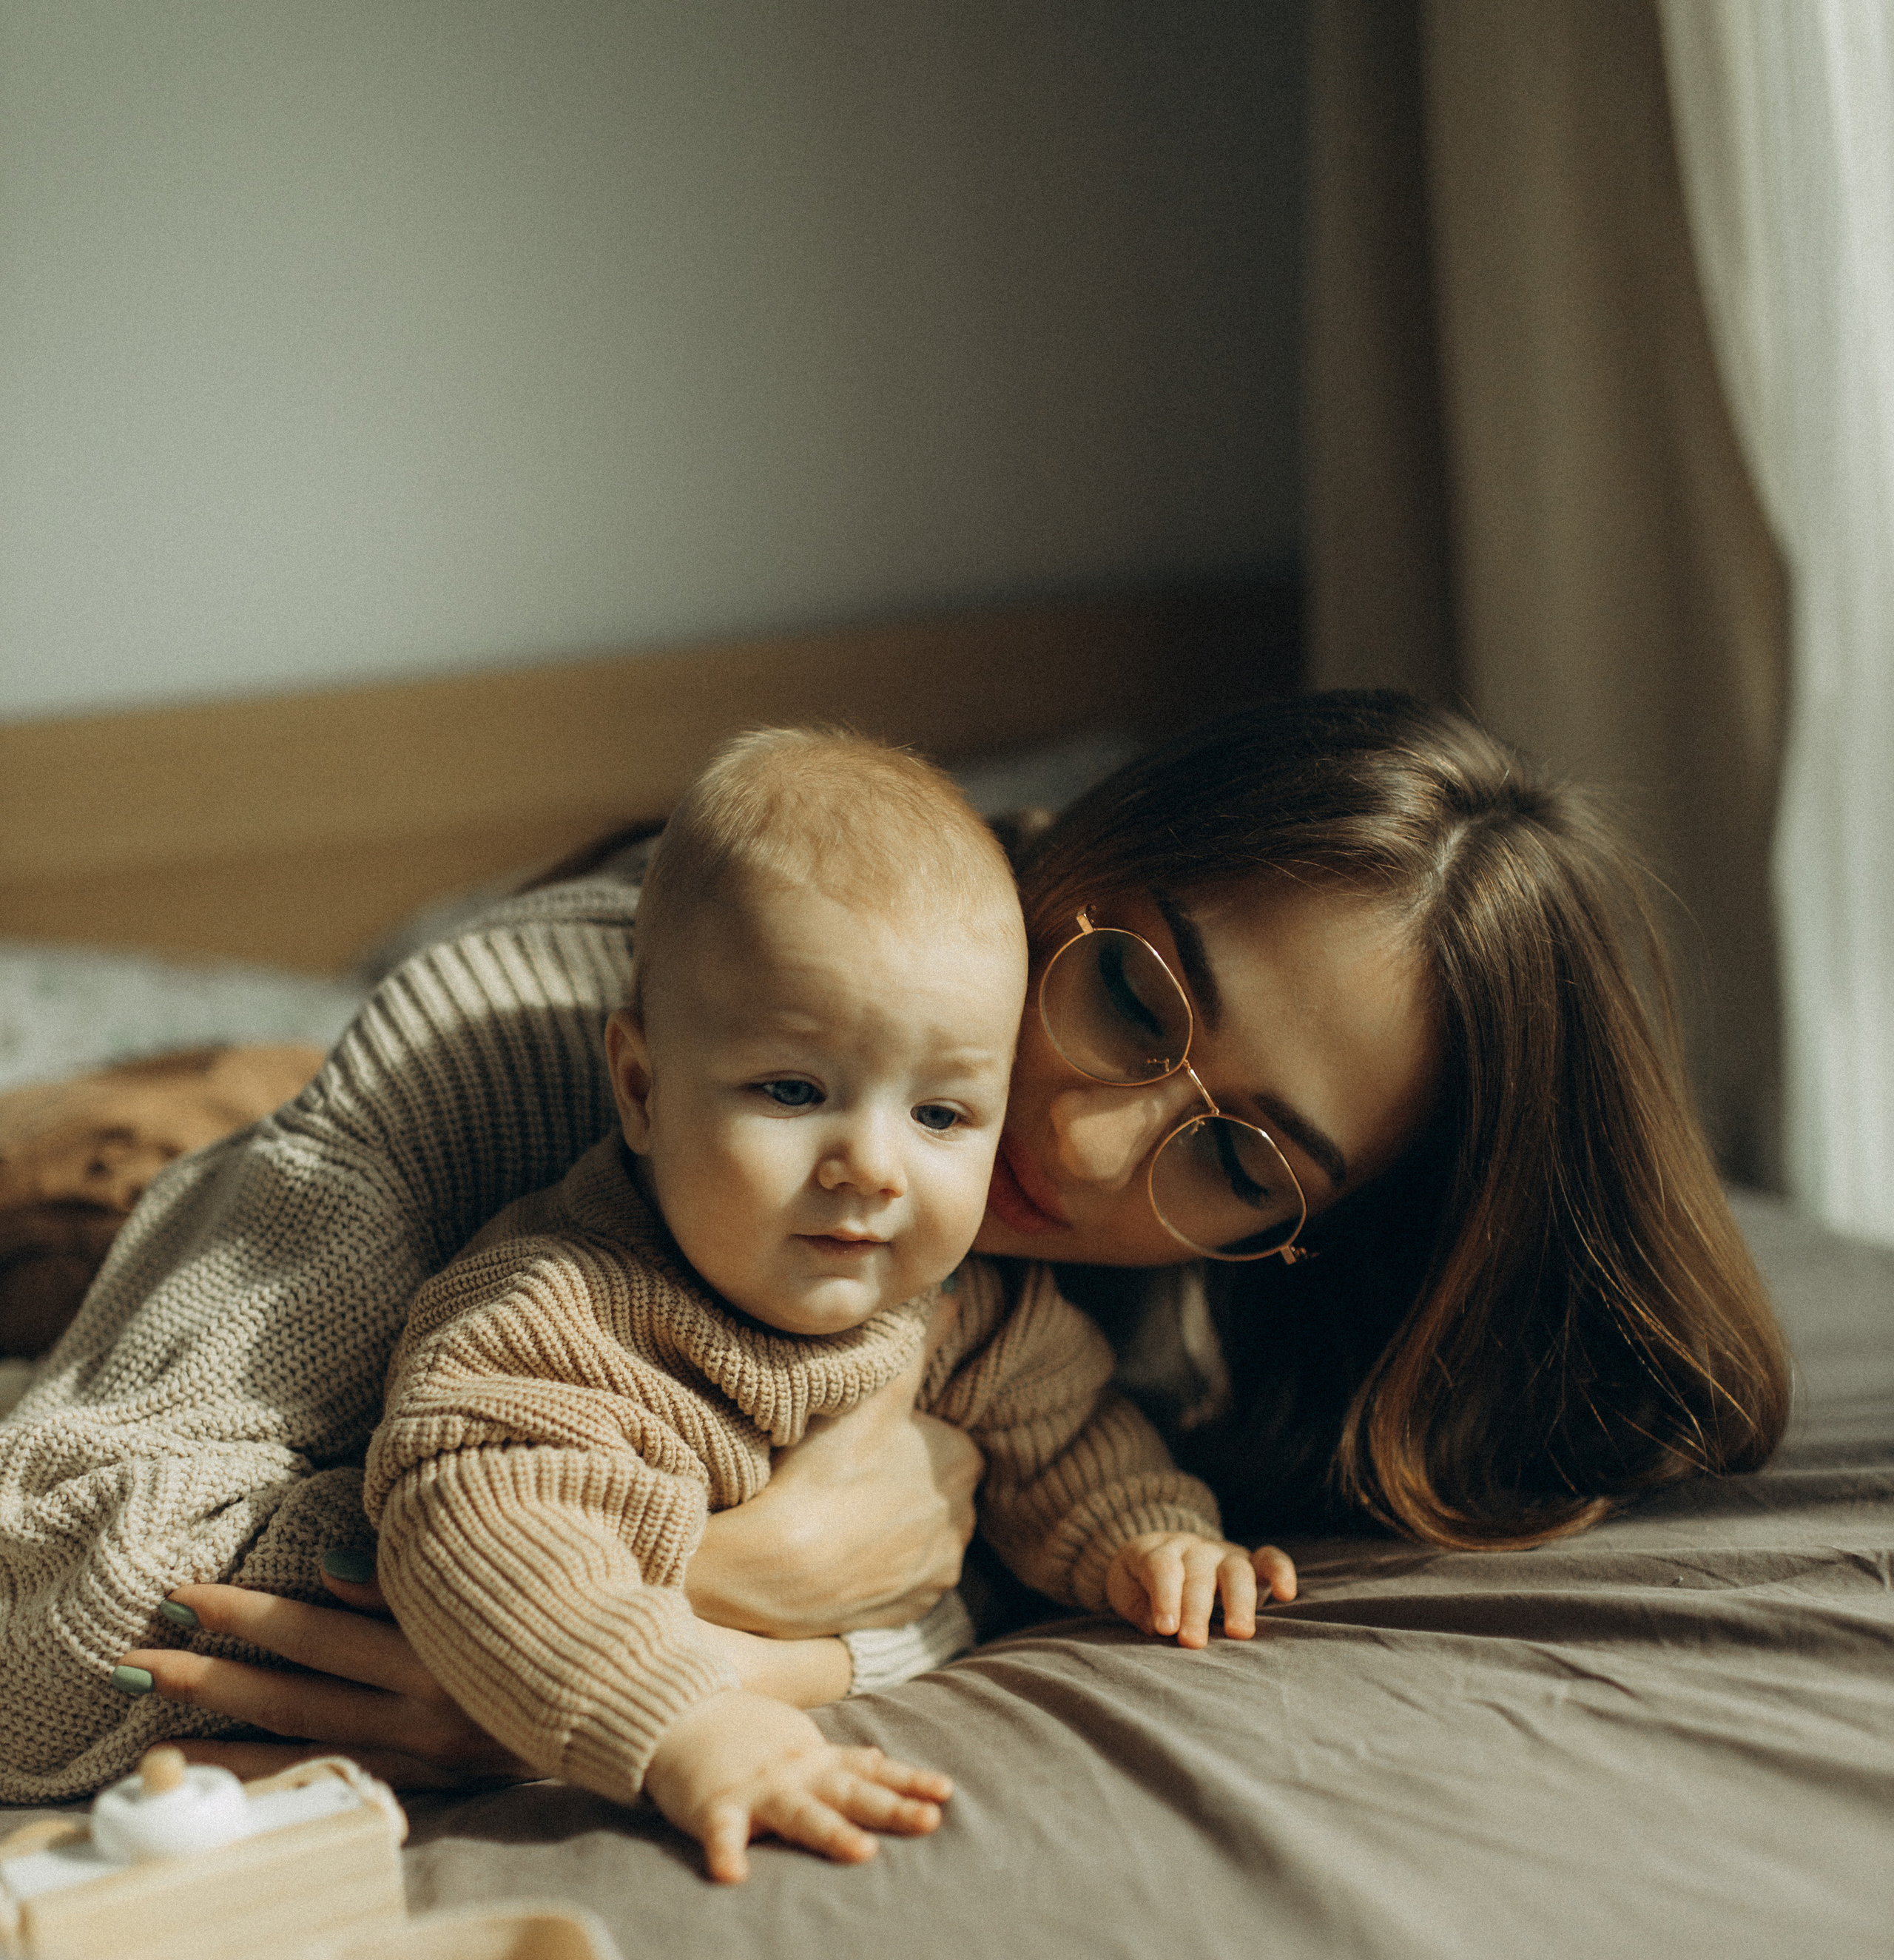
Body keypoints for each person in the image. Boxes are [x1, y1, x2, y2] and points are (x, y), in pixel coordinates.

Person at [0, 692, 1787, 1802]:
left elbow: (1045, 1501)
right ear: (1080, 842)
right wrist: (665, 1611)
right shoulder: (518, 1030)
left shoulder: (1152, 1305)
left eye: (1237, 1156)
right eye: (1124, 990)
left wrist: (811, 1651)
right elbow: (37, 1623)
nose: (1071, 1141)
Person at [360, 730, 1261, 1880]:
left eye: (941, 1115)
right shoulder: (554, 1313)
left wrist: (1147, 1536)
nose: (874, 1168)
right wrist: (691, 1723)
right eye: (794, 1090)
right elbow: (489, 1530)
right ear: (640, 1088)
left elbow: (1069, 1438)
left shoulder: (966, 1308)